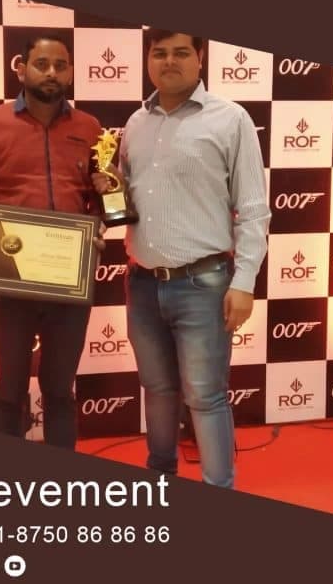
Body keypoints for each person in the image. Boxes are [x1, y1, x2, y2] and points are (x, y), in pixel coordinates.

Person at [93, 29, 270, 487]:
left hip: (204, 284)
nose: (169, 61)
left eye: (180, 52)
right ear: (148, 59)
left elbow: (253, 209)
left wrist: (244, 281)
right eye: (159, 53)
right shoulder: (135, 123)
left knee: (206, 397)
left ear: (200, 57)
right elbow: (128, 198)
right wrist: (110, 189)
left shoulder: (230, 119)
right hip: (142, 282)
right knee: (157, 390)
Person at [0, 35, 103, 449]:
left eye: (60, 66)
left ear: (70, 72)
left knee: (60, 392)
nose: (51, 73)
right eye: (41, 64)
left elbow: (102, 198)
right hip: (8, 279)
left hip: (68, 281)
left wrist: (97, 227)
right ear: (21, 69)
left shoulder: (90, 128)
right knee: (8, 392)